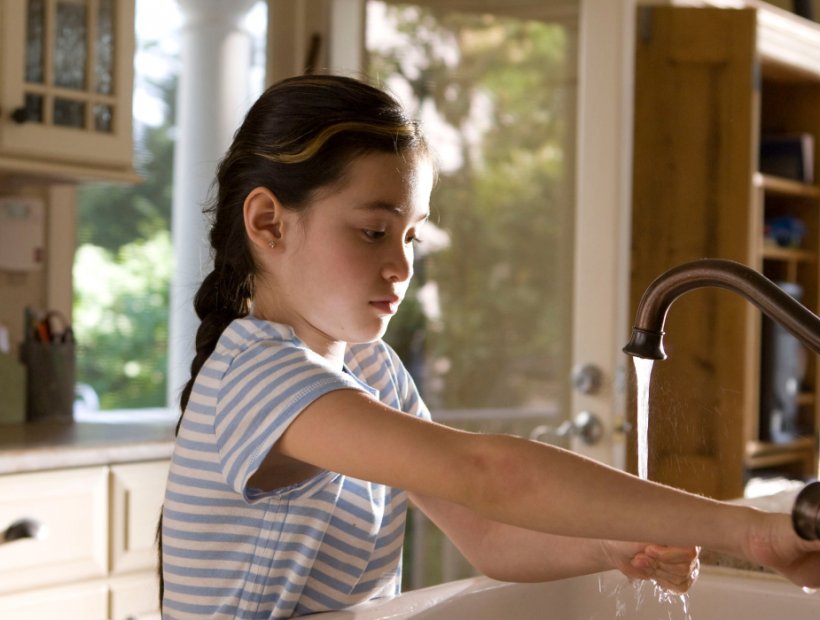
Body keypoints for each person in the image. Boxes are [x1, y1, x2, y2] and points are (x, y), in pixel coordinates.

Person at [159, 74, 820, 619]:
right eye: (371, 232)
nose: (402, 266)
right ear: (269, 223)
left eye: (410, 237)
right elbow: (487, 474)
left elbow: (489, 533)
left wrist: (606, 544)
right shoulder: (254, 374)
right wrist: (746, 530)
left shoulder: (371, 370)